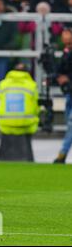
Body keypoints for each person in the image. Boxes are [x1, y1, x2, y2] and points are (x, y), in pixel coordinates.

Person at [0, 63, 39, 161]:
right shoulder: (32, 85)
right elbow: (36, 106)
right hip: (26, 124)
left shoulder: (3, 84)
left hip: (6, 124)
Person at [53, 28, 72, 164]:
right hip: (69, 92)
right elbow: (59, 70)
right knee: (69, 122)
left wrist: (67, 78)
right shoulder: (66, 52)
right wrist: (59, 77)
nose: (64, 37)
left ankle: (62, 153)